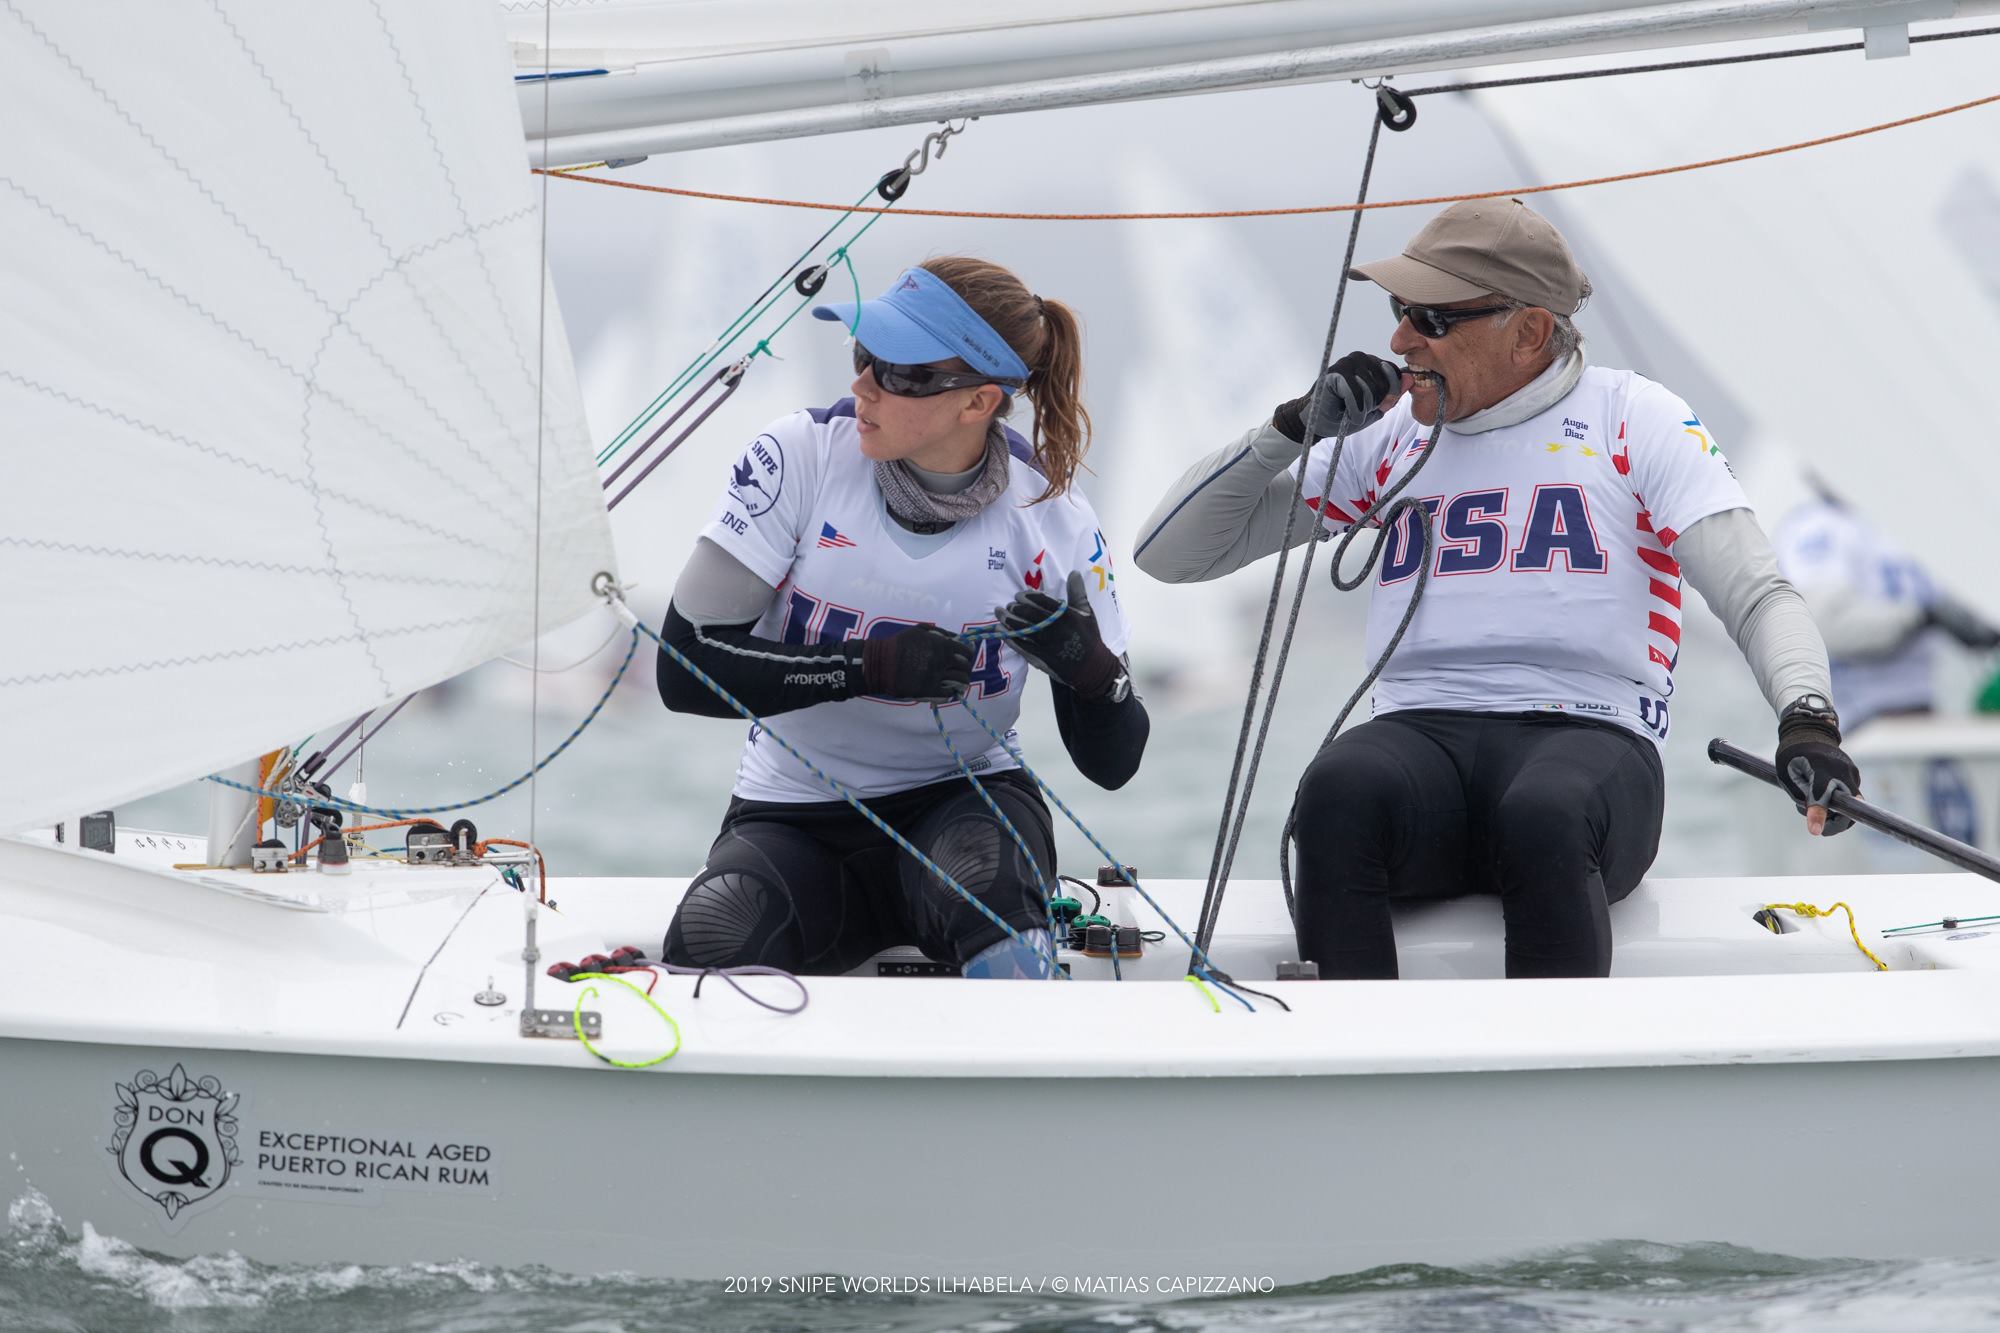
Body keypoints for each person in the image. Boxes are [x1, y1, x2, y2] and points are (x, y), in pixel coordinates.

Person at [1134, 199, 1859, 980]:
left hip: (1590, 736)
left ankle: (1556, 1062)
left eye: (1431, 319)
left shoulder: (1633, 418)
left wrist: (1809, 723)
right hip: (1420, 740)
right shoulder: (1388, 435)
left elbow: (1757, 593)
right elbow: (1169, 554)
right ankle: (1356, 1052)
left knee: (1543, 814)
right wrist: (1286, 429)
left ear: (1529, 332)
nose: (1400, 341)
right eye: (1398, 311)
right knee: (1336, 794)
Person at [654, 257, 1145, 980]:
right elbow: (682, 669)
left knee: (1001, 931)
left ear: (978, 402)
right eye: (863, 356)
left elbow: (1113, 765)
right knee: (715, 933)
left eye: (898, 372)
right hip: (794, 812)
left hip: (965, 802)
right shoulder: (798, 457)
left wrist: (1091, 673)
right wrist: (867, 667)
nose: (863, 385)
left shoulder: (1052, 515)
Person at [1771, 478, 2000, 729]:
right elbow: (1831, 627)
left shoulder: (1903, 521)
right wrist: (1921, 616)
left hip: (1920, 713)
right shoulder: (1816, 526)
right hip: (1857, 720)